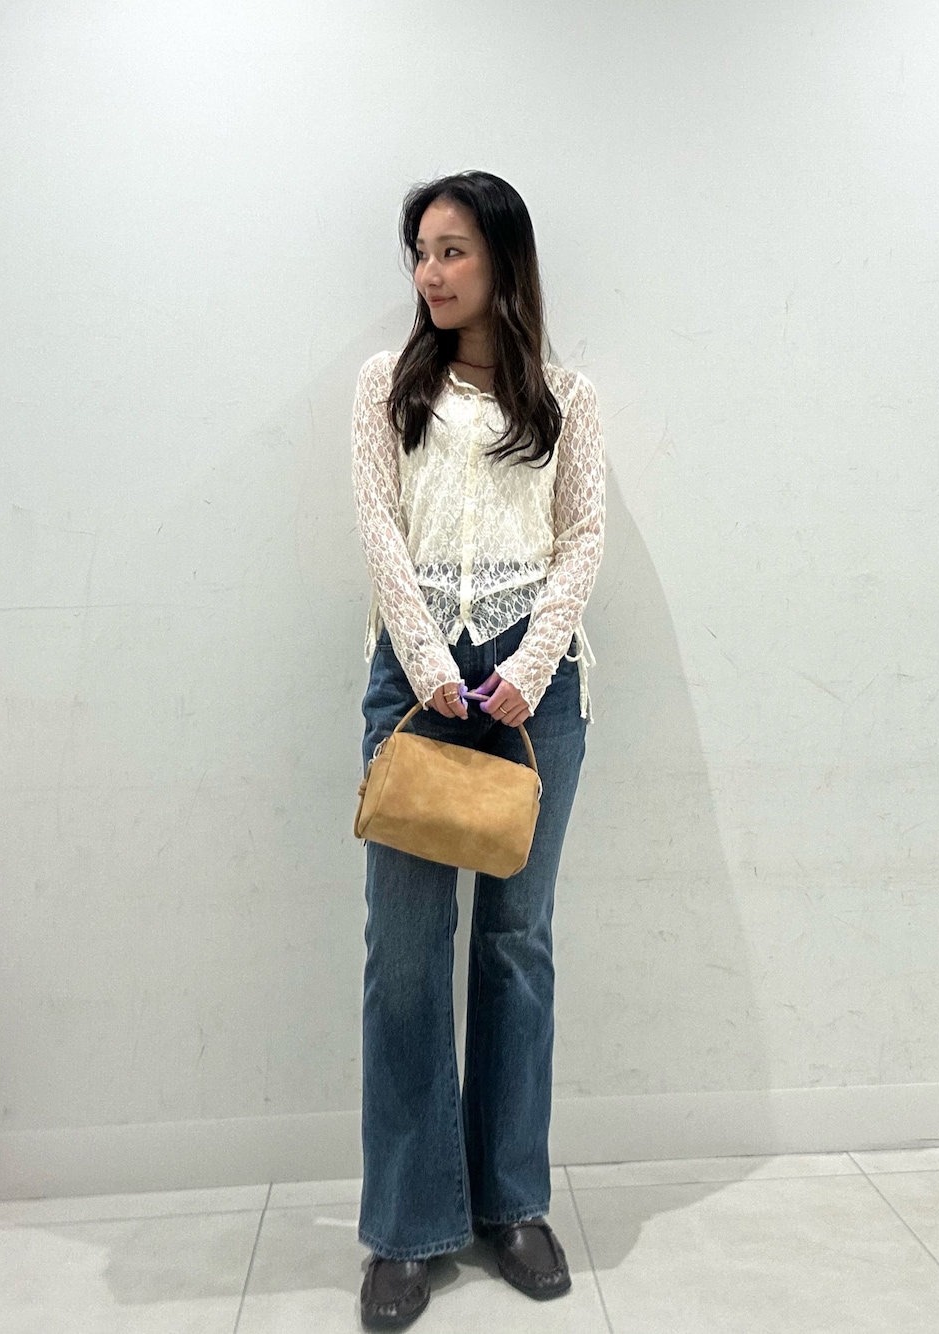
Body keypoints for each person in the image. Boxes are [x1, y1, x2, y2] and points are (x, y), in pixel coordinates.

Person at [350, 169, 606, 1330]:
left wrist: (529, 667)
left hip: (535, 689)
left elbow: (581, 537)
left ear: (502, 256)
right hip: (415, 683)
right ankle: (408, 1225)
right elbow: (378, 529)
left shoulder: (566, 398)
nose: (430, 272)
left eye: (450, 249)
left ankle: (512, 1202)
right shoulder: (385, 386)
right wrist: (431, 664)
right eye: (419, 251)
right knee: (404, 954)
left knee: (516, 946)